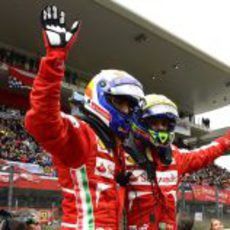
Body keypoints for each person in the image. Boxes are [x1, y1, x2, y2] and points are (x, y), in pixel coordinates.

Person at [25, 5, 144, 230]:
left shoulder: (112, 146)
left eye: (130, 106)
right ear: (100, 99)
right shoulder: (81, 134)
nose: (127, 111)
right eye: (121, 102)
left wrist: (119, 184)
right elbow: (40, 120)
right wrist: (54, 59)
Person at [123, 94, 230, 230]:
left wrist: (227, 140)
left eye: (164, 124)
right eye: (155, 123)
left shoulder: (175, 156)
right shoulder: (124, 156)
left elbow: (204, 153)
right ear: (141, 122)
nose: (161, 128)